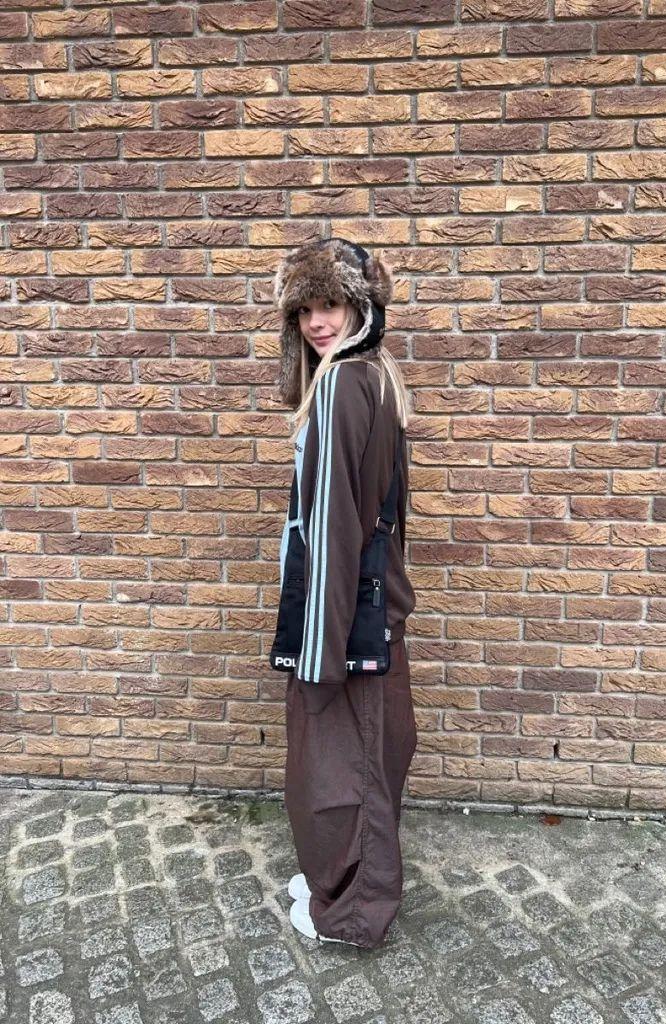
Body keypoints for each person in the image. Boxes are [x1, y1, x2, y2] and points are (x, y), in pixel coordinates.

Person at [271, 237, 418, 949]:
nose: (317, 322)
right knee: (361, 759)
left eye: (330, 304)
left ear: (362, 308)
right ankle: (334, 881)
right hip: (368, 605)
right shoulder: (376, 376)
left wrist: (319, 652)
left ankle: (351, 915)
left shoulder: (341, 387)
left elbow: (334, 527)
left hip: (342, 618)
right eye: (304, 310)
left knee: (340, 768)